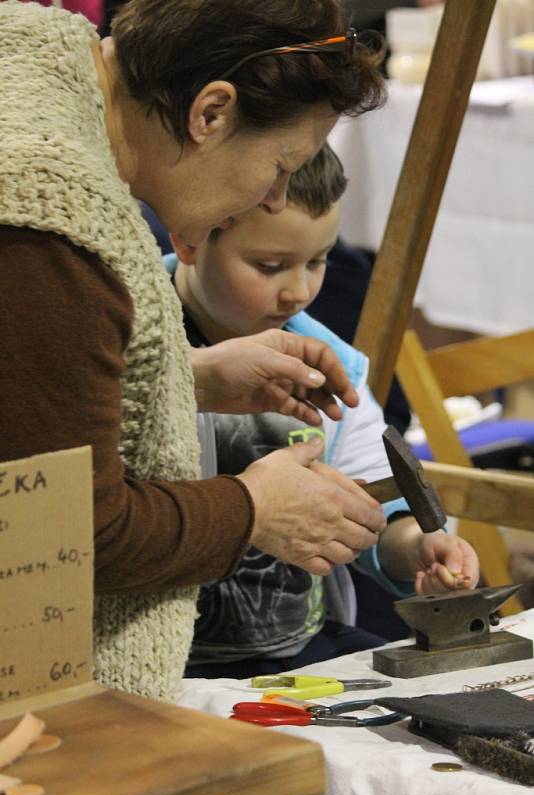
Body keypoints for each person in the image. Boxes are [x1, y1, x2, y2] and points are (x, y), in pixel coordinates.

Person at [0, 0, 391, 702]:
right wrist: (252, 508)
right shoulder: (50, 224)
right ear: (210, 112)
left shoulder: (27, 81)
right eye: (279, 165)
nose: (275, 199)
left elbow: (23, 388)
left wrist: (186, 379)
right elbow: (66, 533)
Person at [168, 144, 480, 678]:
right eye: (269, 266)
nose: (299, 291)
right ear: (190, 238)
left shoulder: (335, 371)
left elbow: (378, 505)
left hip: (298, 645)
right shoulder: (130, 336)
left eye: (317, 261)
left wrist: (418, 546)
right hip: (166, 657)